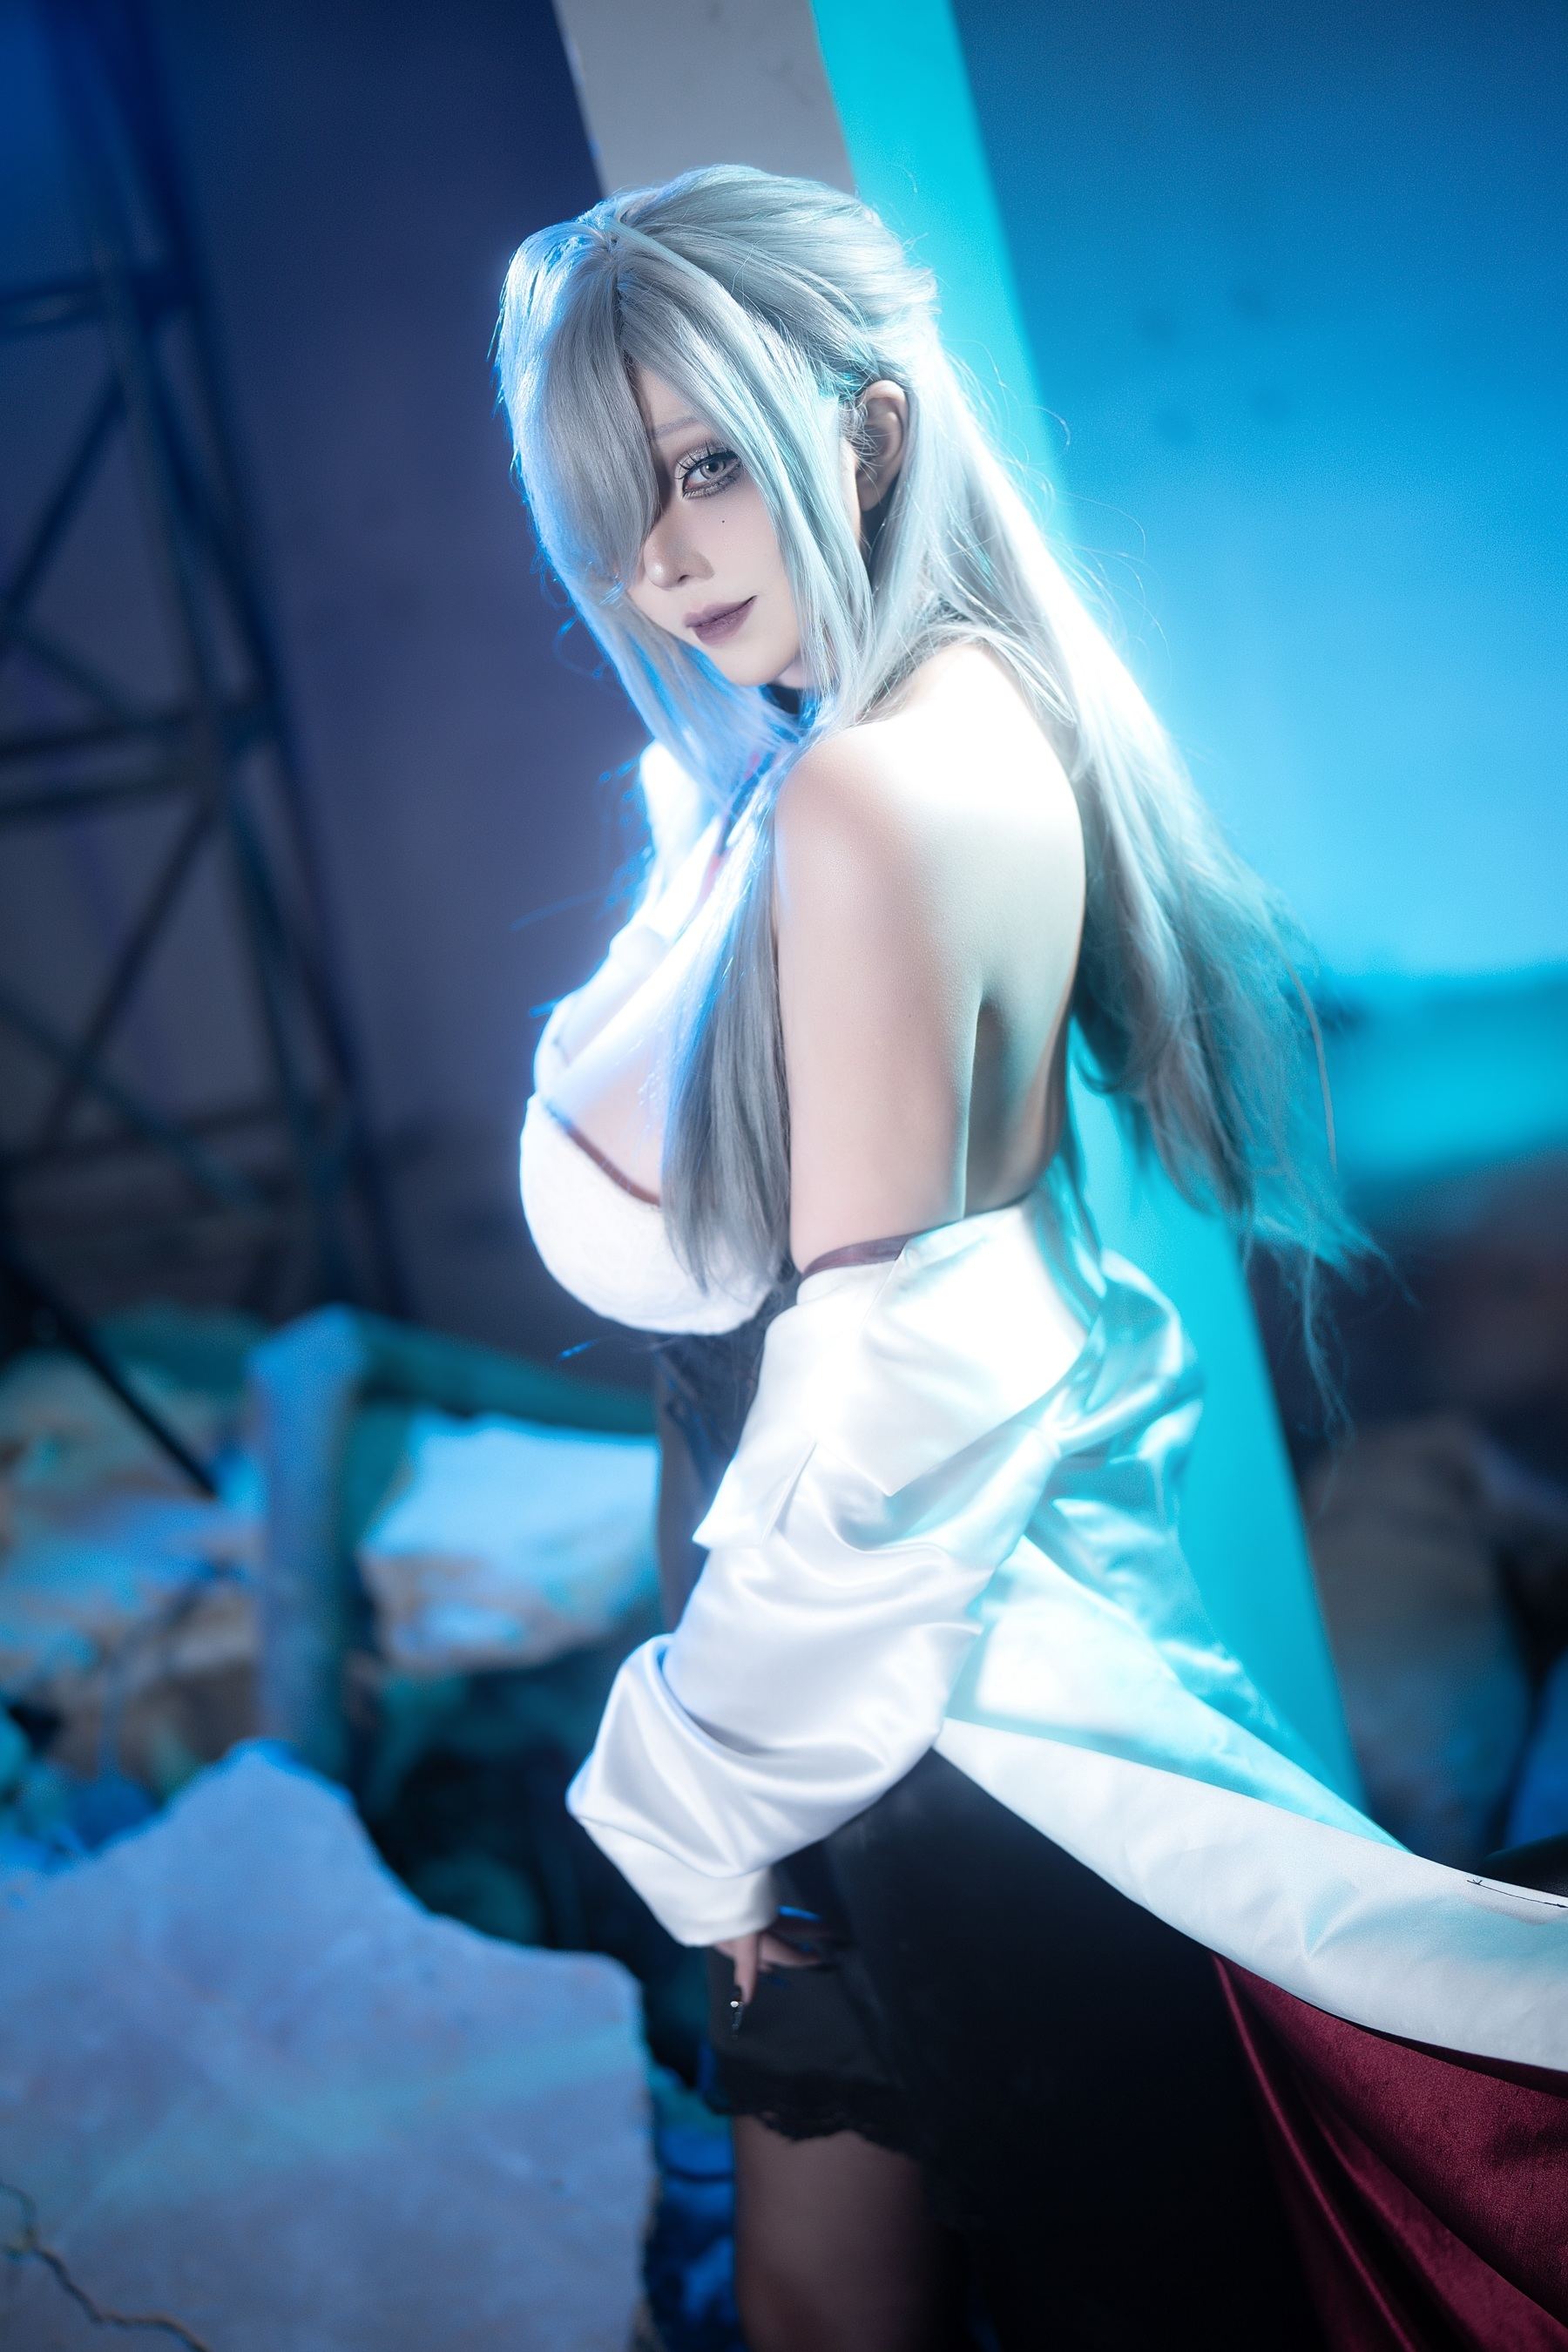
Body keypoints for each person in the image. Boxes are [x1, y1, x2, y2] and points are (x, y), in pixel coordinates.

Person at [497, 166, 1568, 2351]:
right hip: (870, 1719)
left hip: (905, 1733)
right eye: (613, 505)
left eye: (705, 468)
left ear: (868, 428)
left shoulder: (866, 792)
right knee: (826, 2310)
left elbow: (896, 1395)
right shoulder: (858, 749)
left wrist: (691, 1793)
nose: (660, 562)